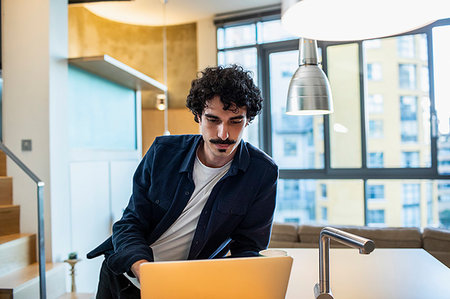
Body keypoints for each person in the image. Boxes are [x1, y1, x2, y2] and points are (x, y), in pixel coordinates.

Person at [87, 65, 279, 298]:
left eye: (235, 121)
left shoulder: (262, 173)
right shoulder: (162, 152)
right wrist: (145, 271)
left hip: (185, 287)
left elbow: (247, 248)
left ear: (248, 120)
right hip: (125, 278)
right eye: (212, 119)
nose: (223, 134)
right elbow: (130, 223)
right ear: (198, 116)